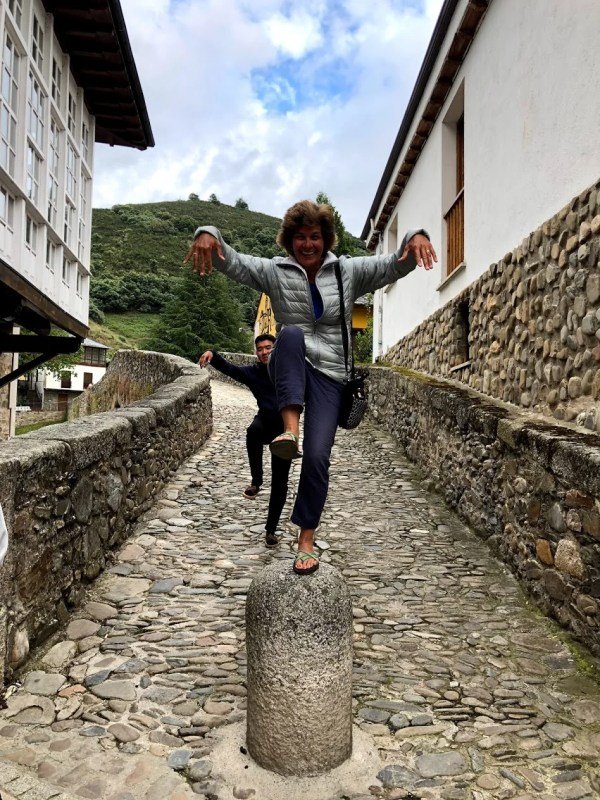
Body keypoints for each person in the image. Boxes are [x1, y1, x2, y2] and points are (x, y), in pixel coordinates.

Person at [185, 200, 436, 574]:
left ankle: (306, 540)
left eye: (315, 236)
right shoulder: (275, 272)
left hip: (331, 376)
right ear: (290, 241)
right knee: (289, 334)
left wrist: (416, 236)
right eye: (300, 237)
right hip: (292, 365)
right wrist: (207, 233)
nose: (307, 244)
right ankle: (290, 430)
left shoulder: (347, 271)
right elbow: (232, 261)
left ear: (326, 239)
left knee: (318, 458)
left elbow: (395, 264)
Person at [198, 334, 291, 547]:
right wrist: (213, 355)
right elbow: (231, 370)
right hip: (265, 421)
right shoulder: (253, 373)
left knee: (280, 481)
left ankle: (271, 530)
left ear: (276, 349)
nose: (264, 352)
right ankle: (256, 482)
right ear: (256, 352)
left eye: (268, 347)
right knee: (253, 431)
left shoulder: (288, 371)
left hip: (285, 428)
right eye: (260, 349)